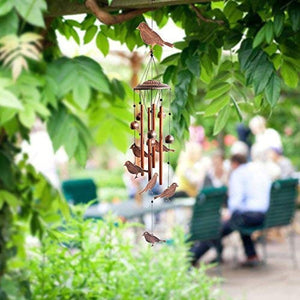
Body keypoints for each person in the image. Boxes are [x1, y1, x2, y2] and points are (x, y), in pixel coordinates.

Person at [190, 154, 272, 267]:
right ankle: (251, 255)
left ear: (234, 164)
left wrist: (229, 213)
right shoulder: (258, 171)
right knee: (233, 222)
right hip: (266, 215)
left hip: (249, 216)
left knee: (217, 228)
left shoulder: (238, 173)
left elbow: (236, 200)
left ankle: (192, 257)